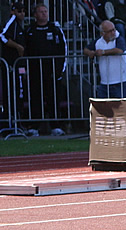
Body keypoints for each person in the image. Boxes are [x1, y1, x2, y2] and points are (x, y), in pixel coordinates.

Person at [24, 3, 67, 135]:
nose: (44, 14)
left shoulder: (55, 29)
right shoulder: (29, 30)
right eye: (41, 11)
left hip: (52, 70)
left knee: (53, 96)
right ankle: (34, 126)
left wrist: (61, 68)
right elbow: (25, 50)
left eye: (45, 11)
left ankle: (55, 126)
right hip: (34, 70)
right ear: (35, 15)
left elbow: (63, 48)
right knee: (35, 97)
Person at [84, 20, 126, 98]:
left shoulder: (119, 39)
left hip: (120, 81)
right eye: (110, 31)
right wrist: (90, 53)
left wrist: (103, 52)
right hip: (104, 82)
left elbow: (119, 50)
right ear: (103, 33)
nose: (113, 32)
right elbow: (86, 49)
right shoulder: (98, 41)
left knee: (119, 107)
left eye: (114, 29)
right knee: (103, 107)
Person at [1, 2, 25, 121]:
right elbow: (3, 36)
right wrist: (17, 46)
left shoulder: (18, 24)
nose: (22, 14)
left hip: (18, 63)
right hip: (10, 63)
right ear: (13, 11)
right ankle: (11, 119)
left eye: (23, 11)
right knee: (11, 91)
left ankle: (16, 118)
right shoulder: (11, 22)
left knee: (18, 91)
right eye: (19, 11)